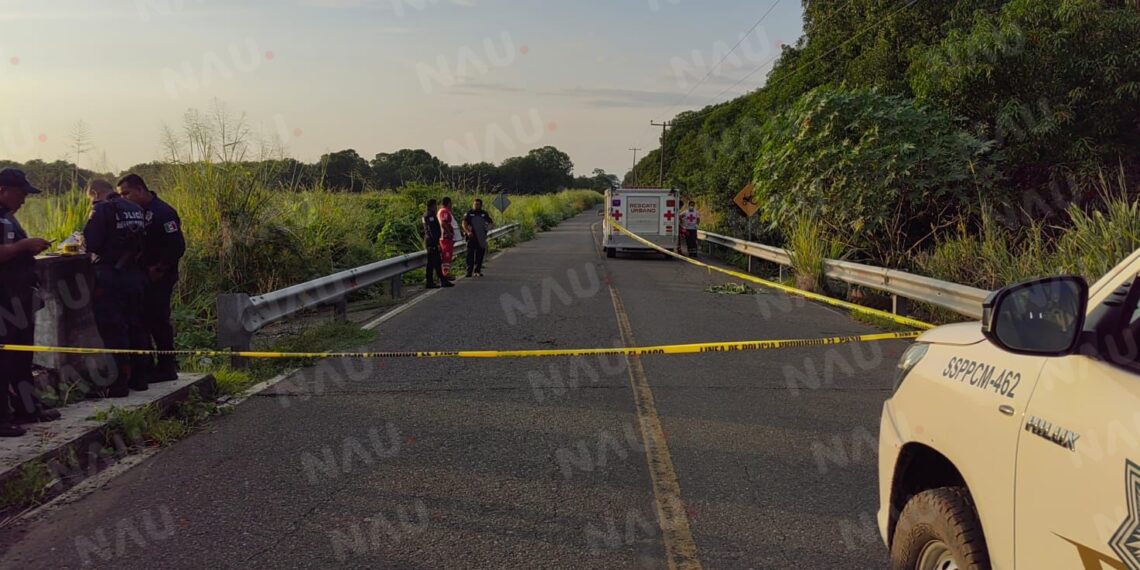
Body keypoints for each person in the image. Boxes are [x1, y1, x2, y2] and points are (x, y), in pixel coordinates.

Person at [0, 169, 57, 436]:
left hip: (20, 298)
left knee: (22, 356)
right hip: (3, 300)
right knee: (4, 358)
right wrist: (25, 247)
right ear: (4, 190)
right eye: (21, 193)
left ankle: (27, 407)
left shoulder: (8, 218)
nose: (24, 200)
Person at [83, 179, 147, 398]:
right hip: (134, 276)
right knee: (135, 326)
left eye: (90, 198)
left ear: (95, 193)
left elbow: (91, 243)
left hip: (109, 277)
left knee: (112, 330)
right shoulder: (136, 208)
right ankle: (140, 378)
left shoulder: (101, 209)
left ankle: (117, 384)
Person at [119, 174, 185, 382]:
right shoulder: (136, 213)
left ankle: (167, 366)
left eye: (126, 193)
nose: (124, 198)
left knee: (158, 321)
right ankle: (147, 366)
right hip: (142, 275)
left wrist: (160, 268)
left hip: (160, 276)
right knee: (142, 321)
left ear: (140, 189)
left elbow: (176, 245)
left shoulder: (162, 212)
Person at [421, 199, 452, 288]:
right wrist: (436, 243)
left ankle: (442, 280)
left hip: (432, 241)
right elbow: (431, 231)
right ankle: (430, 282)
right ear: (433, 205)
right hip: (432, 242)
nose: (436, 207)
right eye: (435, 205)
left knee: (437, 262)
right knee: (431, 263)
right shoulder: (429, 215)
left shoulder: (428, 214)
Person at [462, 198, 494, 277]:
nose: (475, 206)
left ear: (480, 205)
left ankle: (477, 270)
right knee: (470, 255)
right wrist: (468, 232)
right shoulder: (469, 213)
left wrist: (487, 229)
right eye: (474, 204)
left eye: (477, 204)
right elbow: (464, 223)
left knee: (480, 255)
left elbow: (491, 223)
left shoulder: (484, 213)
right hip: (471, 237)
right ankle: (469, 271)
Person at [438, 197, 458, 280]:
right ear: (449, 203)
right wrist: (449, 233)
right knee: (446, 255)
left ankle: (446, 272)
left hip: (447, 238)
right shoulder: (444, 211)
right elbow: (443, 222)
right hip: (446, 238)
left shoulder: (443, 211)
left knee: (448, 255)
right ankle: (445, 273)